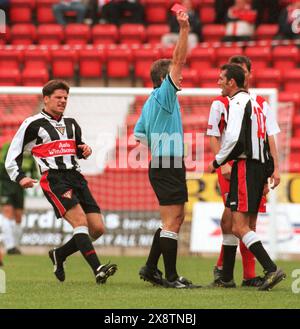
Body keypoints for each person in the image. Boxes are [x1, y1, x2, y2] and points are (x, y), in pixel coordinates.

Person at [5, 80, 117, 284]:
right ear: (46, 99)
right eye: (58, 97)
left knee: (98, 229)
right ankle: (98, 269)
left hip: (77, 177)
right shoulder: (32, 124)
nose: (63, 101)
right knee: (80, 222)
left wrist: (85, 150)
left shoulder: (72, 124)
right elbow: (12, 155)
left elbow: (76, 149)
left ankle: (59, 254)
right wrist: (20, 177)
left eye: (65, 97)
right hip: (55, 179)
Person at [134, 10, 200, 289]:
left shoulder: (150, 103)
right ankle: (171, 277)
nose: (181, 78)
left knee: (173, 218)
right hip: (168, 162)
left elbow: (141, 138)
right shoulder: (164, 96)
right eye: (176, 76)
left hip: (162, 162)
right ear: (165, 79)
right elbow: (178, 60)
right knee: (173, 221)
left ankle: (151, 268)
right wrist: (184, 29)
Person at [208, 64, 286, 291]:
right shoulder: (258, 105)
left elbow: (232, 139)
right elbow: (265, 139)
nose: (219, 82)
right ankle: (227, 278)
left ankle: (270, 269)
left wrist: (217, 161)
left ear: (232, 82)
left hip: (245, 166)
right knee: (235, 224)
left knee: (240, 226)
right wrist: (271, 169)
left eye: (222, 78)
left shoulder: (238, 103)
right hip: (259, 167)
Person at [0, 141, 37, 255]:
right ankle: (10, 246)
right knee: (7, 213)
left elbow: (33, 170)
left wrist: (34, 178)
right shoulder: (8, 147)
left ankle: (15, 246)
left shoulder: (29, 151)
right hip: (6, 184)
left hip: (20, 186)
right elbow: (2, 164)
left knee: (18, 217)